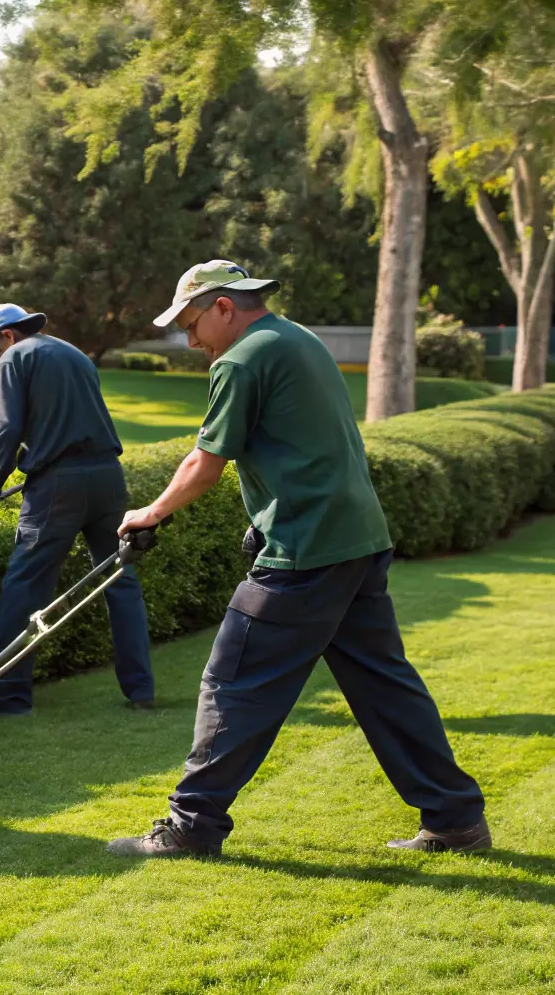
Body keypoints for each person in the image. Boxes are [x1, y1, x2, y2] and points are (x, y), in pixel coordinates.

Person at [106, 260, 488, 858]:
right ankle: (457, 820)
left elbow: (205, 461)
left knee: (232, 682)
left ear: (224, 307)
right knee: (386, 687)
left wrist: (148, 513)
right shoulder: (297, 338)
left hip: (303, 551)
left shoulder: (241, 358)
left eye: (191, 322)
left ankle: (190, 827)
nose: (190, 339)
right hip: (357, 541)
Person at [0, 303, 155, 715]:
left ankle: (10, 699)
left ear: (7, 335)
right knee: (120, 581)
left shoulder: (14, 358)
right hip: (108, 477)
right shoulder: (73, 353)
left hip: (58, 487)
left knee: (24, 587)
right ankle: (140, 691)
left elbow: (5, 428)